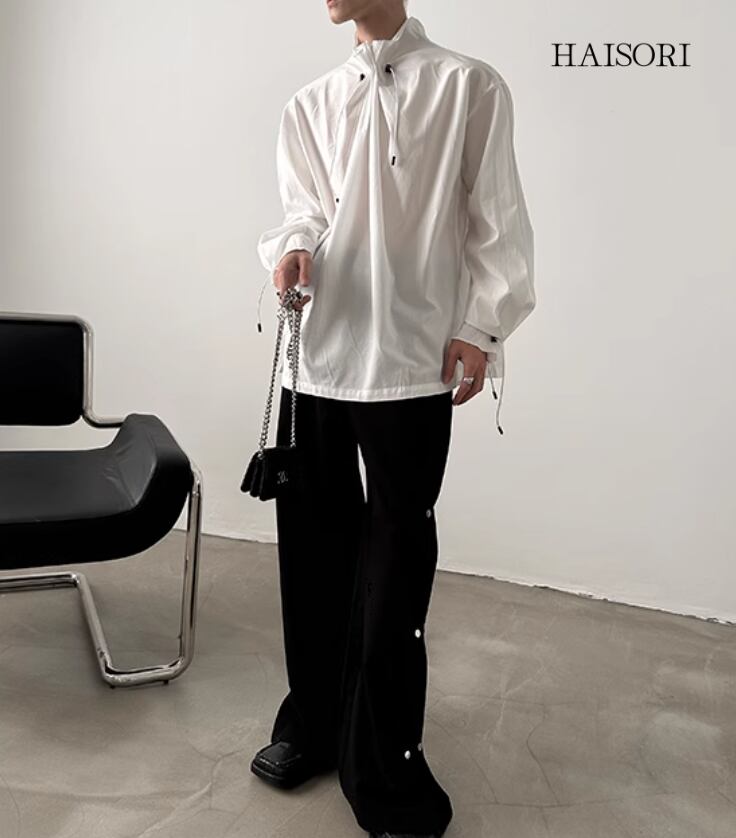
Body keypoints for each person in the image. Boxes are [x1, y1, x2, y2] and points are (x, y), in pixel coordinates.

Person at [249, 2, 535, 836]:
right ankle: (313, 723)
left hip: (412, 363)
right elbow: (303, 207)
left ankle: (385, 761)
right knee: (312, 553)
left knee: (396, 564)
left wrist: (482, 326)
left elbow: (497, 220)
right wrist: (293, 247)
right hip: (317, 356)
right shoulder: (310, 101)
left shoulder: (469, 86)